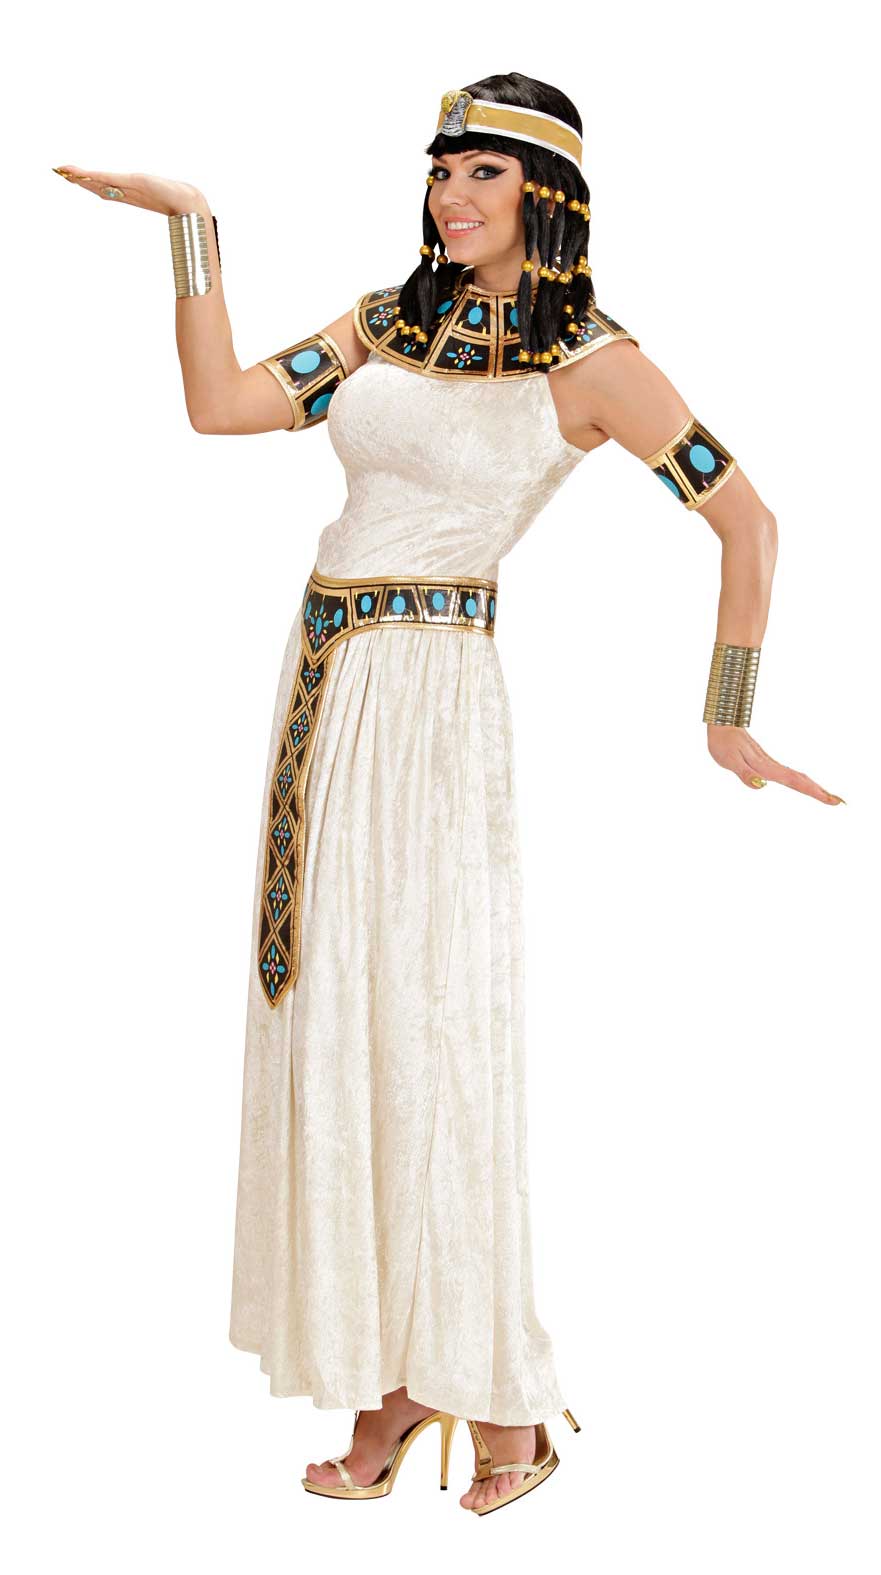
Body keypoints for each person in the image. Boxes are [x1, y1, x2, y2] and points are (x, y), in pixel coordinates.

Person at [53, 69, 844, 1518]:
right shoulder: (387, 320)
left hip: (431, 703)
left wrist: (727, 714)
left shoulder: (593, 360)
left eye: (486, 172)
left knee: (429, 1032)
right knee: (338, 1025)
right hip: (324, 683)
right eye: (441, 170)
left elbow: (748, 520)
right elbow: (221, 409)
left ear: (548, 194)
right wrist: (191, 227)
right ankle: (393, 1382)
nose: (454, 196)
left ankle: (500, 1393)